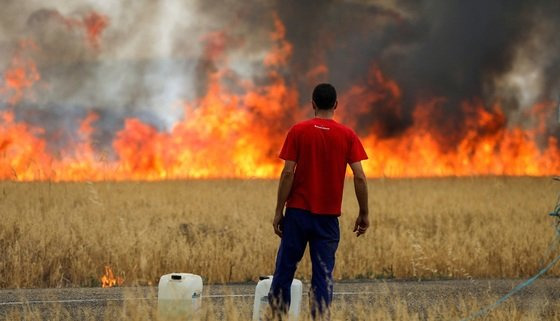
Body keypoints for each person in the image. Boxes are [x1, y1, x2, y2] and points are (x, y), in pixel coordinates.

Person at [268, 83, 370, 320]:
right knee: (323, 275)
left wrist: (278, 210)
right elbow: (360, 176)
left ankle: (277, 317)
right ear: (336, 105)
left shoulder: (297, 131)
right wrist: (364, 212)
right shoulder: (348, 135)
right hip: (327, 220)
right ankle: (320, 318)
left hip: (297, 215)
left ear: (312, 103)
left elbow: (287, 173)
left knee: (284, 270)